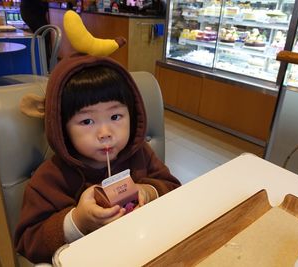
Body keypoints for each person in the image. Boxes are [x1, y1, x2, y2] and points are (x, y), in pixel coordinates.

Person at [14, 54, 181, 263]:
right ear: (61, 127)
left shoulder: (140, 154)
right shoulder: (50, 177)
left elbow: (174, 188)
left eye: (115, 117)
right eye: (87, 121)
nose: (105, 133)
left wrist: (147, 192)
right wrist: (78, 221)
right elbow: (28, 242)